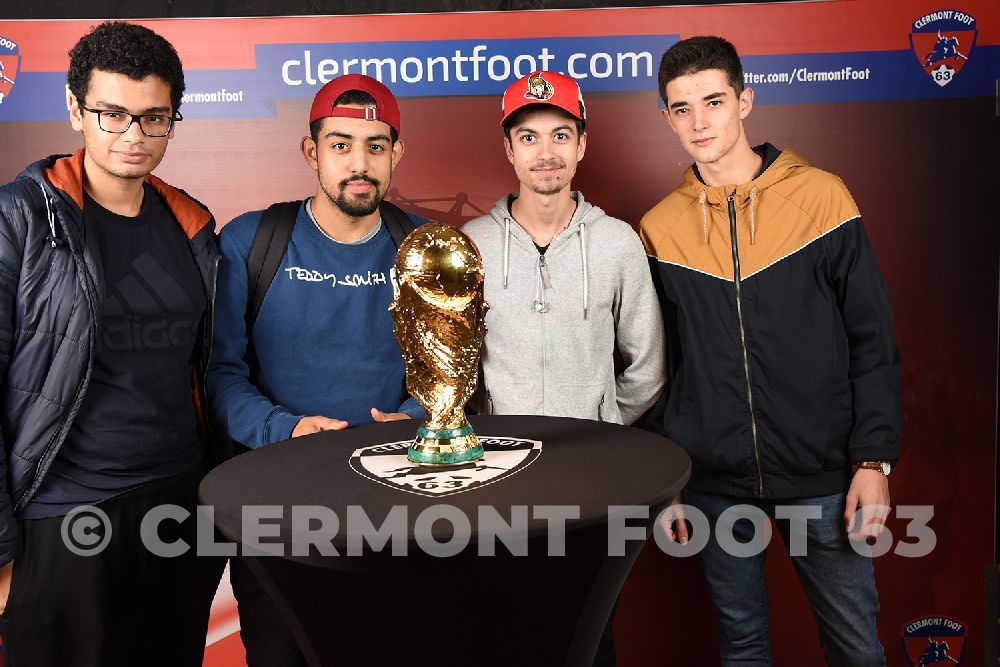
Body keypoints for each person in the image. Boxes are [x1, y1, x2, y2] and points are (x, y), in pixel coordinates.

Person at [641, 36, 901, 666]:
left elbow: (873, 336)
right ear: (667, 118)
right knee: (743, 646)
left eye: (713, 101)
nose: (699, 122)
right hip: (713, 482)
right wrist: (669, 482)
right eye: (681, 109)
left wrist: (874, 460)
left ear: (744, 101)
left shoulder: (822, 198)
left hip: (823, 476)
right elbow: (656, 365)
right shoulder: (657, 228)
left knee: (855, 646)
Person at [0, 21, 224, 667]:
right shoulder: (19, 219)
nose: (134, 135)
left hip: (177, 507)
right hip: (62, 517)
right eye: (112, 114)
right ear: (75, 108)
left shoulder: (192, 224)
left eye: (154, 118)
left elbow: (203, 370)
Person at [207, 73, 426, 666]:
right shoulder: (254, 240)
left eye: (376, 146)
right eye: (340, 144)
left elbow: (447, 378)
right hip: (276, 510)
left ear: (396, 153)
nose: (360, 162)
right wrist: (287, 430)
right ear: (312, 152)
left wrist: (411, 420)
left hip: (394, 512)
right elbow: (219, 375)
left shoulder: (423, 247)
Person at [463, 70, 666, 665]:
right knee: (506, 630)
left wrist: (601, 424)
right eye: (528, 137)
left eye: (560, 136)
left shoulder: (618, 243)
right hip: (498, 481)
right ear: (508, 149)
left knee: (589, 635)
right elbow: (458, 370)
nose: (545, 153)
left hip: (594, 479)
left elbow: (647, 363)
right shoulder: (470, 243)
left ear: (582, 144)